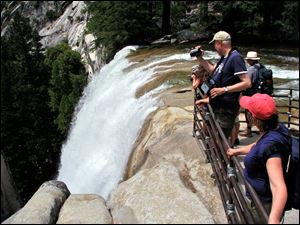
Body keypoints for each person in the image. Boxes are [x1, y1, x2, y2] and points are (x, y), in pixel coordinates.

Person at [227, 93, 291, 224]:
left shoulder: (270, 146)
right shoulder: (278, 128)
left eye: (247, 111)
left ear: (254, 117)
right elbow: (257, 145)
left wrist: (273, 219)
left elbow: (278, 186)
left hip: (262, 203)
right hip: (258, 197)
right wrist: (238, 151)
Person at [194, 31, 251, 139]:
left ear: (219, 43)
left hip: (227, 108)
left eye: (215, 44)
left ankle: (223, 154)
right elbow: (213, 71)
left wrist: (224, 89)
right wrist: (199, 58)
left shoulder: (235, 57)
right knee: (214, 138)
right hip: (218, 105)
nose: (215, 47)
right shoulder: (224, 58)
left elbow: (247, 83)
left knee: (221, 140)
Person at [240, 51, 261, 137]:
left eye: (248, 60)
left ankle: (248, 130)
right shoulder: (261, 67)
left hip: (250, 94)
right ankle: (260, 129)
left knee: (248, 112)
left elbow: (246, 83)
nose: (247, 61)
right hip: (259, 93)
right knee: (256, 112)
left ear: (251, 60)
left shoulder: (251, 70)